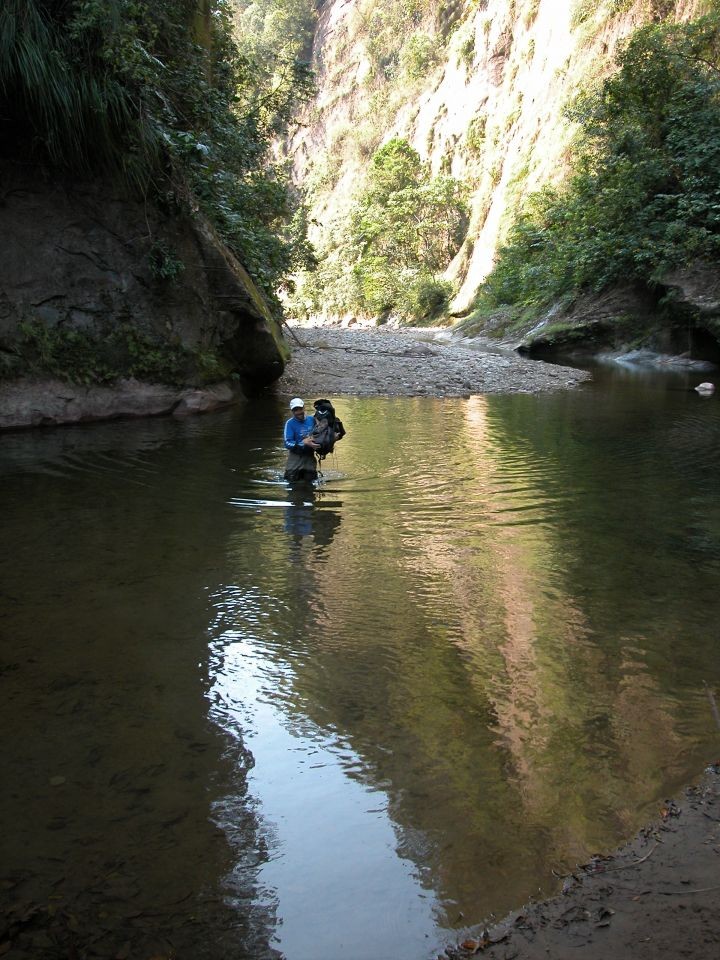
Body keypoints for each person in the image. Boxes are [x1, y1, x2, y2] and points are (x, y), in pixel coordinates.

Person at [283, 398, 319, 483]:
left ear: (304, 407)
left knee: (310, 482)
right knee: (291, 482)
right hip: (295, 458)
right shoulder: (290, 423)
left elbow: (321, 434)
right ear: (292, 411)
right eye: (295, 410)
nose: (298, 412)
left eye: (300, 409)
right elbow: (287, 443)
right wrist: (302, 443)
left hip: (309, 458)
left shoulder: (312, 420)